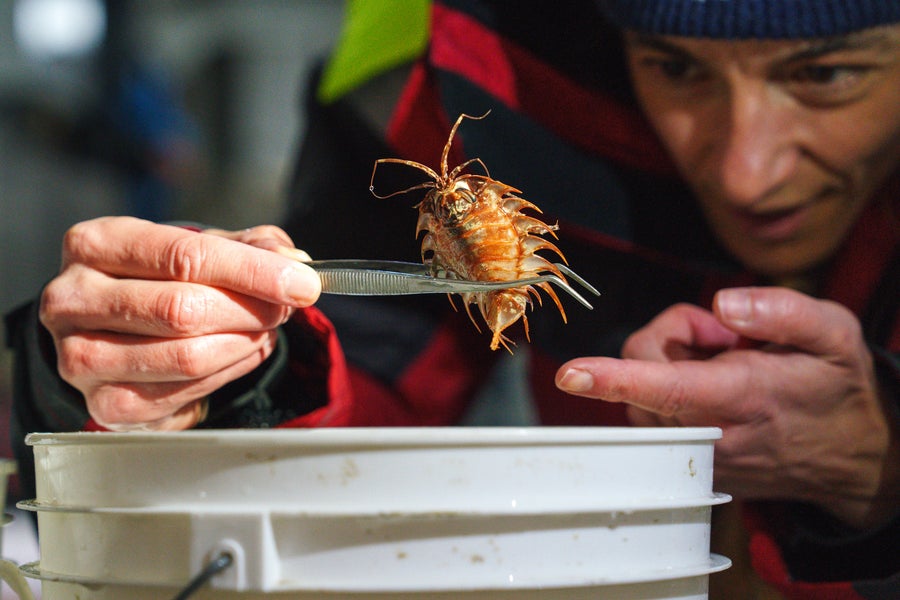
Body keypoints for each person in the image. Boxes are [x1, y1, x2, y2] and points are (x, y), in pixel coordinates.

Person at [6, 0, 899, 597]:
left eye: (827, 77)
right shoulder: (429, 69)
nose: (749, 171)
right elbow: (372, 381)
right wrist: (223, 374)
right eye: (672, 67)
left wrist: (887, 461)